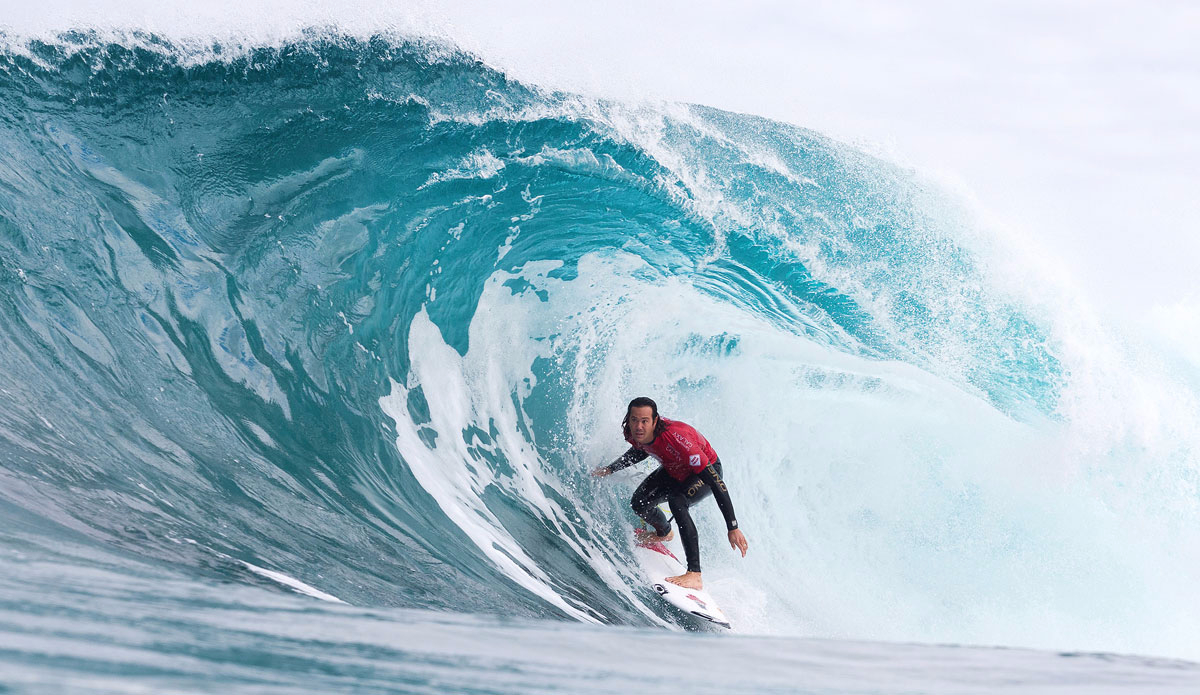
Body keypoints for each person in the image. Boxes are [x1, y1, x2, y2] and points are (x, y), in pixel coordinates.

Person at [592, 396, 748, 590]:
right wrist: (610, 469)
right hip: (673, 468)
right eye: (634, 420)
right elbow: (640, 451)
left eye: (644, 421)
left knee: (677, 501)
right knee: (639, 503)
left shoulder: (677, 439)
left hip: (705, 472)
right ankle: (664, 533)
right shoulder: (632, 431)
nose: (639, 426)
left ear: (655, 421)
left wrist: (732, 526)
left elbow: (716, 482)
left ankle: (695, 574)